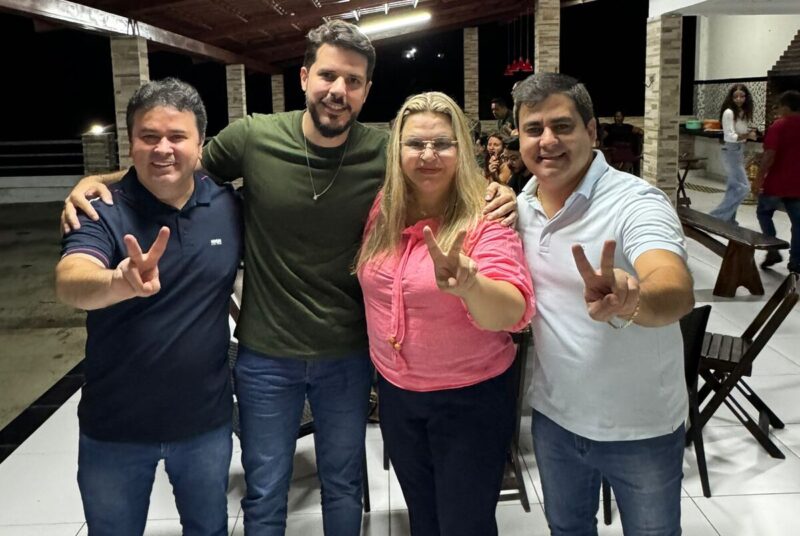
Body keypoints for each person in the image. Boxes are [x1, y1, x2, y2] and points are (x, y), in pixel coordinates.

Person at [60, 20, 517, 536]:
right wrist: (98, 182)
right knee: (265, 490)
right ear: (304, 77)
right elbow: (174, 164)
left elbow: (438, 180)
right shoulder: (254, 137)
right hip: (265, 357)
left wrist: (500, 195)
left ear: (367, 90)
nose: (337, 90)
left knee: (343, 485)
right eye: (327, 75)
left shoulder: (383, 154)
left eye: (352, 81)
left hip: (347, 355)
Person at [55, 78, 242, 536]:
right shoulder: (101, 210)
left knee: (209, 529)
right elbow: (71, 279)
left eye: (177, 136)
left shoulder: (227, 206)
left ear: (200, 143)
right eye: (149, 136)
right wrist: (117, 282)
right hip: (114, 428)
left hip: (205, 424)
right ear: (130, 142)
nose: (163, 149)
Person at [513, 73, 695, 535]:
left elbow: (675, 287)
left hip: (640, 427)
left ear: (591, 131)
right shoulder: (520, 207)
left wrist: (631, 299)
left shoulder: (635, 201)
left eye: (562, 126)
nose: (547, 141)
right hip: (555, 418)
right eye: (534, 129)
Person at [356, 91, 535, 536]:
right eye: (416, 143)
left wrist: (472, 286)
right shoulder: (384, 208)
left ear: (463, 150)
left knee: (464, 525)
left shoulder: (485, 217)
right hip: (398, 396)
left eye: (442, 143)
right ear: (397, 149)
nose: (428, 155)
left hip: (469, 400)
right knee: (424, 518)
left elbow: (512, 309)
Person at [754, 90, 800, 273]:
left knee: (764, 213)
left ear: (786, 107)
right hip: (798, 185)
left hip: (776, 182)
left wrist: (758, 178)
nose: (778, 111)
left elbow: (769, 155)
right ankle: (796, 261)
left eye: (779, 107)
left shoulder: (779, 125)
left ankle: (772, 249)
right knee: (798, 223)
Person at [709, 83, 758, 223]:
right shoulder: (729, 112)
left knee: (734, 188)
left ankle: (730, 221)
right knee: (743, 187)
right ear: (731, 98)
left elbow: (740, 132)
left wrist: (748, 133)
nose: (739, 99)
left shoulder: (743, 112)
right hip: (731, 149)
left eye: (742, 96)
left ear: (746, 97)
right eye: (736, 96)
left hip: (738, 149)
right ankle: (716, 217)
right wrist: (747, 136)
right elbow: (730, 136)